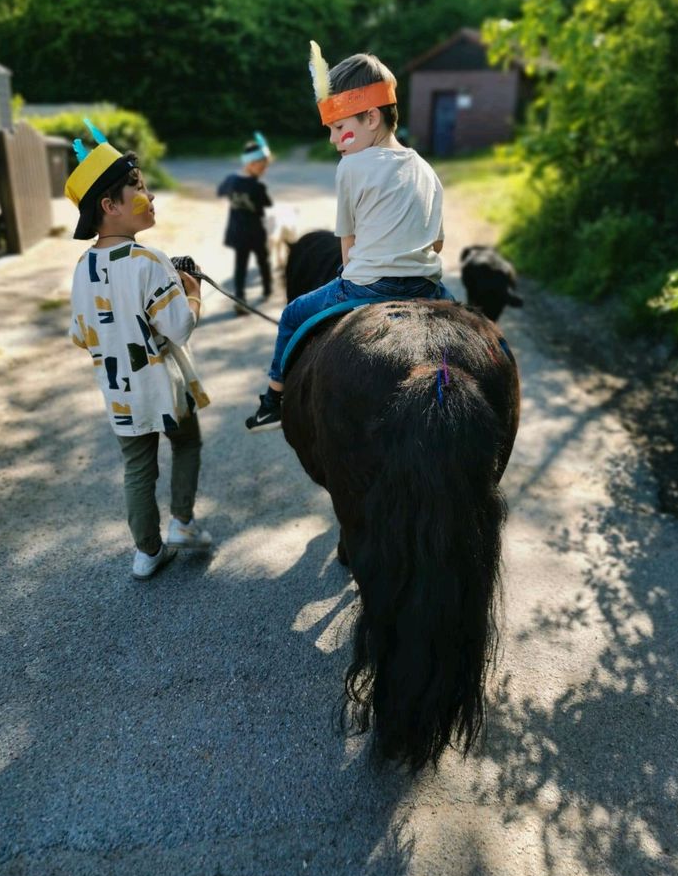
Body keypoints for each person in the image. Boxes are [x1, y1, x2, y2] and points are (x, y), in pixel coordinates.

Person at [245, 44, 455, 432]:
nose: (333, 141)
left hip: (369, 285)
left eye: (340, 129)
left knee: (293, 314)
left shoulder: (352, 166)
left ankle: (273, 399)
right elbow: (437, 244)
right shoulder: (426, 168)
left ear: (372, 117)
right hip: (428, 287)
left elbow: (347, 246)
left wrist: (354, 273)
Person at [67, 120, 212, 580]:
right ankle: (182, 523)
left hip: (119, 389)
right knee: (186, 441)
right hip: (161, 384)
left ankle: (146, 553)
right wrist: (191, 291)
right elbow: (179, 327)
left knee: (137, 466)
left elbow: (81, 334)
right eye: (139, 188)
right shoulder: (149, 261)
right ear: (109, 205)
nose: (150, 197)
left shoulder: (82, 268)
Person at [217, 133, 273, 315]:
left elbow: (220, 191)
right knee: (263, 259)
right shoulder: (257, 187)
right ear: (251, 164)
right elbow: (267, 203)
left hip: (237, 231)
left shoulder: (231, 180)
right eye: (262, 167)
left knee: (240, 265)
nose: (264, 170)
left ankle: (240, 297)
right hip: (255, 232)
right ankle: (267, 288)